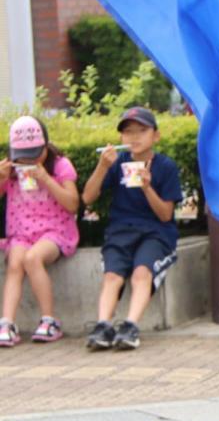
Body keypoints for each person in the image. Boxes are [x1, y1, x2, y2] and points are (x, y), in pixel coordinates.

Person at [82, 106, 182, 351]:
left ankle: (130, 326)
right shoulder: (117, 164)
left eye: (142, 130)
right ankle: (103, 325)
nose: (134, 137)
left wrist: (147, 187)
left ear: (155, 136)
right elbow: (87, 197)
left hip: (156, 233)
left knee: (141, 273)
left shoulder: (166, 167)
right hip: (120, 231)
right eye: (128, 132)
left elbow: (165, 215)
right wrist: (102, 167)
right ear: (120, 138)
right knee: (112, 275)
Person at [0, 115, 79, 346]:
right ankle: (7, 322)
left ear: (45, 147)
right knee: (16, 262)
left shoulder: (60, 166)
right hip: (22, 232)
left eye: (34, 155)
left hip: (55, 231)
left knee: (33, 258)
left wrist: (45, 178)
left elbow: (72, 203)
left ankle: (49, 320)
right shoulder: (12, 168)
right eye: (22, 157)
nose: (28, 162)